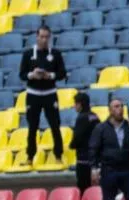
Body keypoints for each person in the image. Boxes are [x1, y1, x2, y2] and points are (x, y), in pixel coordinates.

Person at [19, 25, 67, 168]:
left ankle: (58, 156)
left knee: (55, 125)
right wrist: (32, 75)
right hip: (33, 94)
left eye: (47, 37)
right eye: (42, 37)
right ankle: (30, 157)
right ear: (37, 36)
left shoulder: (56, 54)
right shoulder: (28, 54)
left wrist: (49, 75)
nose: (44, 40)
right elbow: (21, 74)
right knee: (32, 127)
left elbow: (62, 73)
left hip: (50, 93)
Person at [90, 99, 129, 200]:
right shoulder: (101, 128)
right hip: (109, 169)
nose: (120, 109)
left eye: (121, 106)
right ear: (110, 110)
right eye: (116, 106)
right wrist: (94, 168)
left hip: (128, 169)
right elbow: (93, 149)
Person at [71, 92, 99, 191]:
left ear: (80, 104)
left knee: (84, 188)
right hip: (95, 158)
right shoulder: (94, 116)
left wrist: (72, 145)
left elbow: (77, 137)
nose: (74, 106)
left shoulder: (81, 117)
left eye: (75, 103)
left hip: (83, 158)